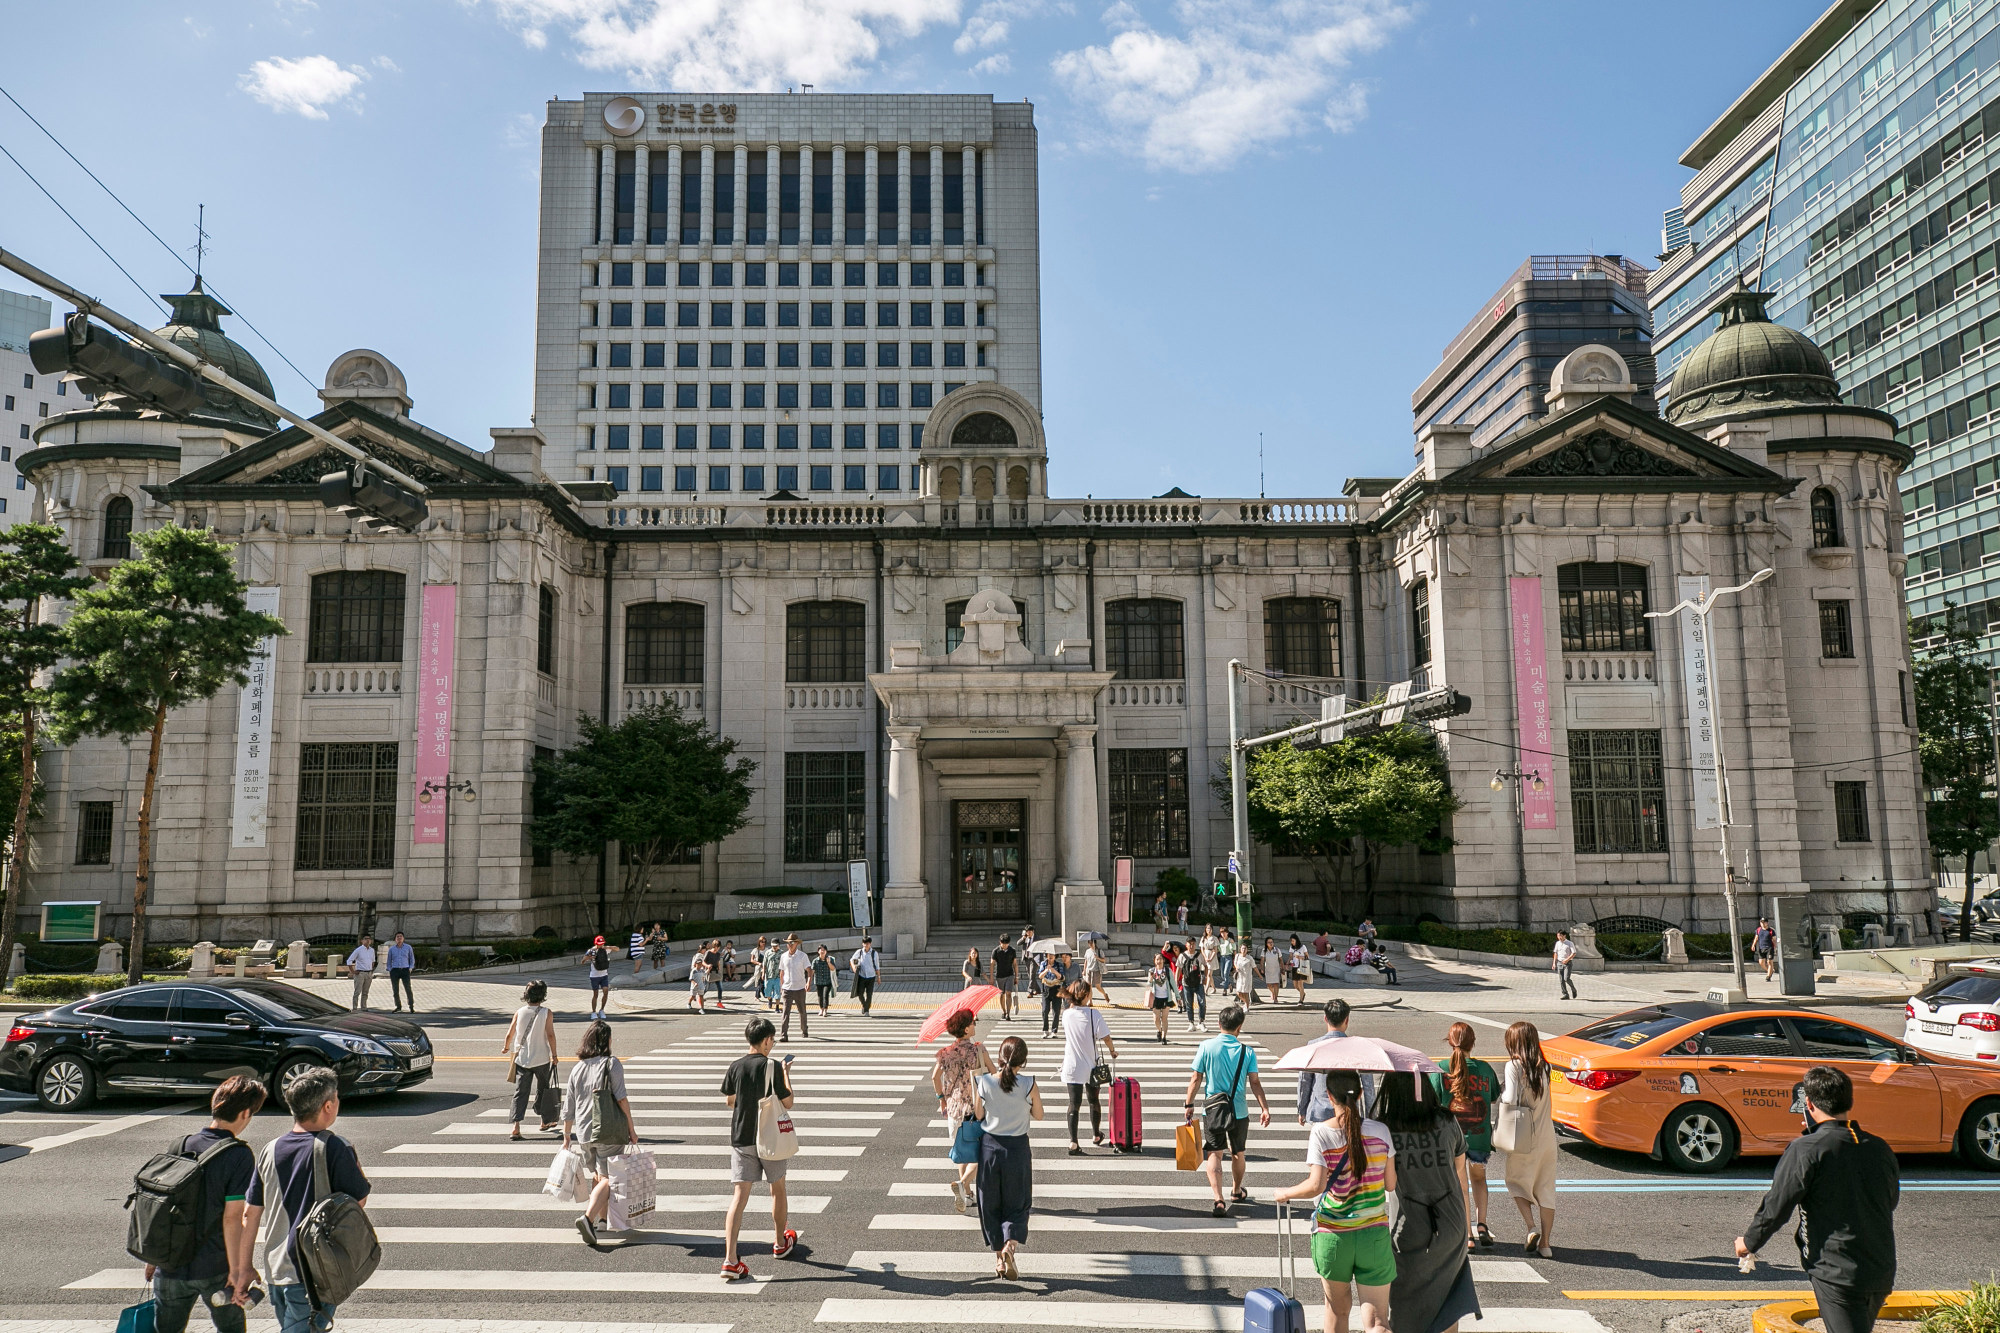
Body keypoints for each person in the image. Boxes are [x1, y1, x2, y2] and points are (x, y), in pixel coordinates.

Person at [1735, 1065, 1900, 1333]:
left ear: (1808, 1104)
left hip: (1836, 1269)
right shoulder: (1879, 1147)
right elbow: (1890, 1200)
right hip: (1880, 1268)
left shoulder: (1807, 1148)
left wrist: (1749, 1243)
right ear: (1850, 1101)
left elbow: (1778, 1204)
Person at [243, 1067, 371, 1333]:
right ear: (327, 1106)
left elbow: (250, 1213)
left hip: (276, 1272)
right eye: (336, 1099)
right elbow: (357, 1203)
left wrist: (244, 1266)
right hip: (313, 1274)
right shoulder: (334, 1147)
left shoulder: (270, 1148)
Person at [1273, 1070, 1396, 1333]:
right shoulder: (1381, 1131)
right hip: (1373, 1235)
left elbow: (1315, 1185)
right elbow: (1390, 1184)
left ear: (1328, 1096)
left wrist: (1285, 1193)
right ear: (1361, 1093)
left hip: (1333, 1235)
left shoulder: (1321, 1133)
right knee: (1377, 1322)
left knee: (1337, 1311)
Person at [143, 1075, 266, 1333]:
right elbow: (232, 1218)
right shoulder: (238, 1154)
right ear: (245, 1113)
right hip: (215, 1266)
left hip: (171, 1264)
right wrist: (237, 1270)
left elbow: (159, 1204)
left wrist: (152, 1258)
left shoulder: (180, 1145)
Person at [1376, 1072, 1480, 1333]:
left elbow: (1381, 1180)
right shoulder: (1446, 1120)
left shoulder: (1385, 1127)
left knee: (1405, 1300)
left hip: (1410, 1221)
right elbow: (1459, 1168)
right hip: (1451, 1219)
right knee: (1448, 1299)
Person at [720, 1017, 801, 1280]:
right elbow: (788, 1102)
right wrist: (786, 1073)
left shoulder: (735, 1066)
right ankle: (779, 1242)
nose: (773, 1044)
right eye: (773, 1040)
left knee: (739, 1198)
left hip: (742, 1137)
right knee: (777, 1188)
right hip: (769, 1138)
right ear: (766, 1040)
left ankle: (731, 1260)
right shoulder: (773, 1066)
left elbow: (730, 1101)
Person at [1185, 1003, 1271, 1215]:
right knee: (1238, 1152)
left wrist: (1189, 1104)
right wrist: (1264, 1108)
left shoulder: (1206, 1046)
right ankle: (1236, 1190)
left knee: (1214, 1153)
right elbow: (1255, 1083)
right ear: (1239, 1027)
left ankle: (1218, 1199)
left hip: (1213, 1110)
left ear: (1218, 1023)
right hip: (1239, 1111)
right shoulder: (1247, 1052)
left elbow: (1196, 1078)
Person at [971, 1034, 1044, 1279]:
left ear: (1000, 1057)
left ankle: (999, 1260)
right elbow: (1039, 1115)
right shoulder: (1028, 1083)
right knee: (1018, 1201)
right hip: (1017, 1149)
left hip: (990, 1148)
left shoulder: (984, 1082)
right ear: (1022, 1062)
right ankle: (1010, 1246)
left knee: (990, 1202)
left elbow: (979, 1115)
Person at [560, 1019, 637, 1248]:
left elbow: (569, 1104)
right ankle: (588, 1217)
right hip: (607, 1130)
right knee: (609, 1178)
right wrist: (631, 1128)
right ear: (606, 1041)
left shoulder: (578, 1067)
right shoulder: (611, 1064)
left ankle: (602, 1222)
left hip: (584, 1132)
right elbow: (621, 1097)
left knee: (598, 1175)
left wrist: (566, 1134)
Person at [1430, 1021, 1499, 1251]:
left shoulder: (1441, 1068)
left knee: (1461, 1185)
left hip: (1453, 1139)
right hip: (1479, 1136)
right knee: (1479, 1179)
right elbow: (1493, 1096)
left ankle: (1467, 1233)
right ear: (1473, 1043)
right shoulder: (1486, 1069)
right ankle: (1482, 1224)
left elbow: (1434, 1101)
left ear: (1449, 1042)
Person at [1498, 1020, 1557, 1258]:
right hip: (1547, 1138)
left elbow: (1511, 1098)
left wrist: (1502, 1094)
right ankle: (1546, 1245)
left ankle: (1531, 1228)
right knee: (1545, 1189)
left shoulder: (1514, 1065)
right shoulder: (1545, 1067)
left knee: (1515, 1182)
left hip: (1524, 1137)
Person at [933, 1008, 996, 1215]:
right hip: (974, 1108)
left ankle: (967, 1194)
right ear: (966, 1028)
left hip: (953, 1109)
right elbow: (994, 1073)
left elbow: (935, 1078)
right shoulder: (978, 1050)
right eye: (973, 1022)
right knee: (982, 1153)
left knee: (962, 1152)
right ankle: (962, 1184)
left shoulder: (945, 1053)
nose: (975, 1024)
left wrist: (942, 1099)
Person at [1058, 981, 1117, 1153]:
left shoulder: (1066, 1015)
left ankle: (1073, 1142)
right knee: (1093, 1101)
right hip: (1091, 1067)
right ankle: (1096, 1134)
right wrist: (1112, 1051)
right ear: (1085, 995)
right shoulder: (1094, 1014)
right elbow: (1106, 1037)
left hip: (1072, 1066)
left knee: (1073, 1104)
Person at [1299, 998, 1376, 1123]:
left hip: (1319, 1111)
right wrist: (1370, 1114)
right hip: (1349, 1110)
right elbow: (1368, 1085)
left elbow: (1305, 1081)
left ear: (1325, 1018)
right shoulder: (1357, 1048)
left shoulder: (1313, 1046)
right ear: (1347, 1020)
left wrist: (1302, 1109)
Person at [502, 979, 559, 1139]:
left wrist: (506, 1047)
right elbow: (550, 1035)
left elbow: (509, 1034)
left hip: (522, 1059)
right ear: (543, 995)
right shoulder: (546, 1013)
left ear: (526, 995)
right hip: (541, 1059)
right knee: (543, 1090)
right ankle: (543, 1121)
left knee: (521, 1092)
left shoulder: (519, 1012)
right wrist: (554, 1055)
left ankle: (516, 1126)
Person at [778, 934, 812, 1041]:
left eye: (792, 943)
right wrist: (781, 986)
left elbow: (810, 971)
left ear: (797, 943)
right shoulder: (783, 956)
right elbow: (781, 973)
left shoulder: (802, 956)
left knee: (802, 1011)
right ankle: (784, 1034)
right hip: (787, 988)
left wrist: (808, 983)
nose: (790, 945)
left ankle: (804, 1029)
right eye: (788, 943)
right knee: (785, 1012)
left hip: (799, 988)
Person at [1177, 938, 1208, 1032]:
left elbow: (1205, 965)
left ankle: (1201, 1022)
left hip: (1198, 983)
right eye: (1189, 944)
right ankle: (1191, 1023)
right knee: (1188, 1004)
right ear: (1186, 945)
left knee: (1202, 1003)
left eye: (1193, 944)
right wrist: (1176, 982)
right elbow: (1178, 969)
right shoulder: (1182, 956)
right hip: (1186, 983)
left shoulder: (1199, 955)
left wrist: (1205, 977)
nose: (1191, 946)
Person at [1146, 952, 1176, 1043]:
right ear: (1155, 961)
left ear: (1163, 960)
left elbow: (1173, 984)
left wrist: (1178, 997)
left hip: (1166, 998)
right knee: (1156, 1019)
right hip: (1156, 998)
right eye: (1157, 959)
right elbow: (1149, 984)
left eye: (1160, 959)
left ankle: (1164, 1037)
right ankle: (1159, 1030)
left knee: (1164, 1018)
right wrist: (1151, 979)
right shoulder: (1152, 971)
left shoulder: (1167, 971)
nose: (1159, 961)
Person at [1037, 950, 1067, 1038]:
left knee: (1056, 1010)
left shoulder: (1059, 965)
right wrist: (1046, 970)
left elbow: (1062, 977)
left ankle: (1054, 1031)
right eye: (1048, 956)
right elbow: (1040, 976)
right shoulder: (1043, 963)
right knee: (1045, 1010)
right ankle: (1045, 1030)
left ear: (1055, 957)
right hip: (1046, 988)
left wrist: (1054, 971)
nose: (1049, 959)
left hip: (1056, 988)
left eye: (1052, 957)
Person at [384, 931, 416, 1012]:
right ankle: (398, 1006)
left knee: (408, 988)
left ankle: (411, 1006)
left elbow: (412, 958)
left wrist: (410, 968)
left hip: (405, 969)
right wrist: (390, 969)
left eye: (401, 936)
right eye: (397, 936)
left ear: (403, 938)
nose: (399, 938)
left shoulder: (408, 947)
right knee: (395, 990)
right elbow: (389, 960)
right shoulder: (392, 949)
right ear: (395, 939)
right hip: (395, 970)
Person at [850, 937, 882, 1014]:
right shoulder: (860, 952)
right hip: (861, 976)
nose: (865, 945)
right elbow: (852, 959)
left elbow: (877, 966)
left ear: (870, 944)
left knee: (869, 994)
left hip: (871, 976)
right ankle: (864, 1005)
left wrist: (878, 977)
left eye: (867, 943)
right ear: (862, 943)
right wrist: (853, 967)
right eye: (864, 943)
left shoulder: (874, 953)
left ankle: (866, 1010)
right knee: (860, 993)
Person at [345, 934, 377, 1011]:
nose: (368, 940)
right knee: (357, 992)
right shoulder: (358, 950)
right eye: (366, 939)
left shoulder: (372, 950)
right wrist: (353, 971)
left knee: (365, 992)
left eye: (369, 939)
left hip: (368, 973)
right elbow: (349, 960)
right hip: (360, 973)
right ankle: (355, 1008)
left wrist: (371, 969)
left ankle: (364, 1007)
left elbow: (373, 961)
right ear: (362, 941)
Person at [582, 935, 611, 1021]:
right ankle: (593, 1012)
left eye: (602, 944)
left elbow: (617, 949)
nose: (601, 945)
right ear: (596, 943)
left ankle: (602, 1010)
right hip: (594, 976)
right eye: (599, 944)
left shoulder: (605, 949)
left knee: (606, 991)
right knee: (596, 994)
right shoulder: (591, 950)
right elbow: (582, 961)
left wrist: (608, 947)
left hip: (604, 975)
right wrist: (590, 957)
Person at [991, 934, 1019, 1020]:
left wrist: (1016, 976)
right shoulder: (996, 951)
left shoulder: (1012, 950)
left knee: (1008, 993)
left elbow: (1015, 964)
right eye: (1003, 943)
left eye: (1006, 944)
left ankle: (1008, 1013)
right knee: (1001, 994)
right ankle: (1004, 1011)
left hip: (1009, 974)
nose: (1005, 945)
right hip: (999, 976)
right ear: (1000, 942)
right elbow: (992, 964)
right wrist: (991, 976)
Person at [1551, 930, 1578, 1001]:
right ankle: (1565, 994)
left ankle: (1573, 989)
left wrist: (1567, 959)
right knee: (1561, 980)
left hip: (1567, 963)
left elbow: (1574, 953)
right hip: (1559, 963)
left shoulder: (1569, 943)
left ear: (1564, 936)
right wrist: (1554, 963)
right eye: (1558, 936)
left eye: (1560, 936)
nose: (1559, 937)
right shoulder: (1557, 943)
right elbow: (1555, 953)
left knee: (1566, 978)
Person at [1084, 939, 1112, 1005]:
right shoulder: (1087, 951)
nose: (1090, 944)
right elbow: (1086, 961)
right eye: (1089, 943)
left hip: (1097, 971)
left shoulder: (1099, 951)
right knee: (1089, 987)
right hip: (1089, 970)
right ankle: (1090, 1002)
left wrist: (1097, 957)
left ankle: (1105, 994)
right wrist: (1084, 970)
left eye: (1091, 943)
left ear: (1094, 943)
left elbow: (1103, 960)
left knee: (1097, 986)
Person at [812, 944, 836, 1017]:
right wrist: (808, 981)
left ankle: (825, 1010)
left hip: (827, 981)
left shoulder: (830, 959)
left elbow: (833, 969)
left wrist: (828, 962)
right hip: (818, 981)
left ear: (826, 951)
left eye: (824, 950)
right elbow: (812, 971)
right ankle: (821, 1009)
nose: (822, 951)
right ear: (818, 951)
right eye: (821, 950)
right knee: (820, 996)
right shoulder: (815, 961)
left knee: (825, 995)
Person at [1289, 934, 1313, 1005]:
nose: (1292, 942)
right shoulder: (1291, 948)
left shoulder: (1303, 947)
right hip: (1294, 967)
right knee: (1295, 985)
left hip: (1302, 967)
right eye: (1291, 941)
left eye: (1293, 941)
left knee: (1300, 984)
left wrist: (1300, 957)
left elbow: (1307, 956)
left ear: (1296, 940)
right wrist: (1288, 963)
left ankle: (1300, 1000)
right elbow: (1290, 957)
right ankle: (1302, 993)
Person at [1754, 917, 1778, 982]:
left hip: (1769, 948)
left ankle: (1768, 976)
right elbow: (1756, 938)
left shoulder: (1771, 931)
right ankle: (1770, 971)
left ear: (1767, 923)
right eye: (1761, 922)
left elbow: (1774, 940)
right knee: (1761, 962)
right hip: (1761, 948)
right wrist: (1753, 945)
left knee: (1769, 962)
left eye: (1764, 922)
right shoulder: (1758, 930)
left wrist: (1775, 948)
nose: (1763, 924)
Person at [688, 946, 712, 1011]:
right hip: (694, 986)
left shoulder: (701, 970)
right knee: (693, 996)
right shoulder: (694, 970)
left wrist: (709, 969)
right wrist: (694, 983)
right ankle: (689, 1003)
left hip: (700, 985)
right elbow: (691, 979)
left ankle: (702, 1008)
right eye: (698, 964)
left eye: (700, 964)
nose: (699, 965)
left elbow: (705, 974)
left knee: (701, 996)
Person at [1263, 935, 1283, 1005]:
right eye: (1269, 942)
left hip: (1276, 969)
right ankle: (1273, 992)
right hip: (1268, 970)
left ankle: (1276, 998)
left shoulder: (1277, 950)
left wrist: (1282, 968)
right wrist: (1262, 968)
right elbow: (1262, 960)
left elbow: (1280, 959)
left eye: (1272, 942)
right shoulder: (1264, 951)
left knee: (1276, 984)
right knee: (1268, 985)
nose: (1271, 943)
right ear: (1266, 943)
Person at [1219, 928, 1238, 992]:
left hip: (1228, 957)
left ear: (1227, 933)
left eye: (1224, 932)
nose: (1223, 934)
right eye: (1222, 933)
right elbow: (1218, 949)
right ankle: (1229, 984)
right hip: (1222, 957)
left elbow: (1234, 950)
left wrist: (1235, 960)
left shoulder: (1230, 940)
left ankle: (1225, 989)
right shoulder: (1220, 940)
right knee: (1222, 974)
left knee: (1226, 973)